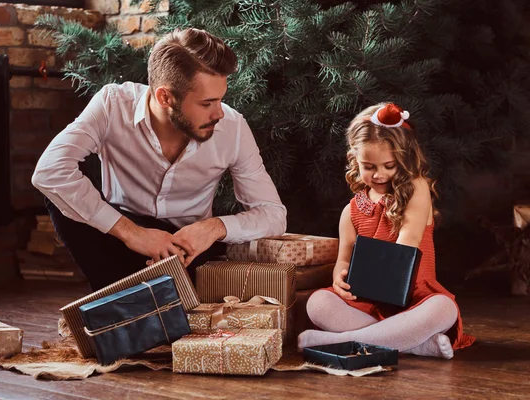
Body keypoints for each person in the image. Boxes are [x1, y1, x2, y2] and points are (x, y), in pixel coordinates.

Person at [31, 28, 287, 291]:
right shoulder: (112, 104)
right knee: (59, 193)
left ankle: (129, 299)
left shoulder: (233, 128)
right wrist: (133, 234)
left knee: (167, 300)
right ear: (165, 97)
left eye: (221, 99)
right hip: (118, 239)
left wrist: (212, 228)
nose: (219, 113)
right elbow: (48, 171)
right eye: (207, 103)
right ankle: (119, 295)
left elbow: (273, 215)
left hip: (189, 250)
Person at [298, 103, 475, 358]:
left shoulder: (416, 188)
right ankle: (415, 344)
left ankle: (342, 341)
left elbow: (408, 243)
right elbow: (344, 259)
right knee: (317, 303)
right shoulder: (351, 211)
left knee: (444, 308)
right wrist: (339, 277)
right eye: (369, 167)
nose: (379, 174)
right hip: (366, 300)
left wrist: (387, 286)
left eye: (389, 165)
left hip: (413, 296)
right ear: (354, 160)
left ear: (404, 159)